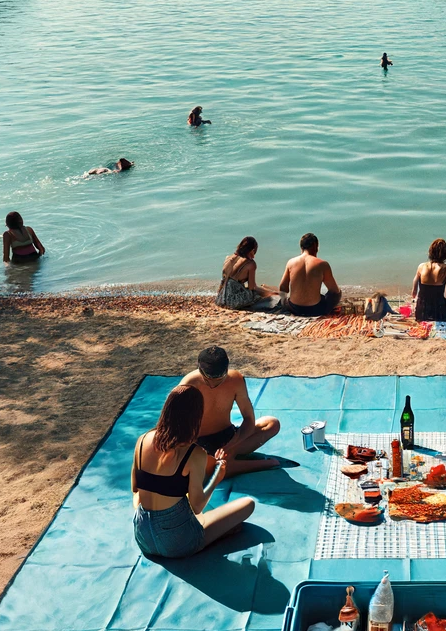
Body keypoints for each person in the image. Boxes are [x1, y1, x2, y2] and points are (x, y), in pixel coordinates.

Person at [132, 385, 256, 558]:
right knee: (247, 504)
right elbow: (197, 507)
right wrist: (216, 478)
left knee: (179, 502)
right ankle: (211, 536)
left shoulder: (142, 440)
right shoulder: (193, 453)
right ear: (196, 418)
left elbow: (135, 490)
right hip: (178, 543)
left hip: (142, 538)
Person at [177, 345, 287, 478]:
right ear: (199, 369)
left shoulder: (235, 379)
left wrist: (230, 445)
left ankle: (228, 460)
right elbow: (174, 427)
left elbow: (249, 419)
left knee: (272, 423)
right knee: (209, 468)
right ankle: (263, 464)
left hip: (229, 437)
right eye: (207, 381)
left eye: (219, 381)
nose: (212, 386)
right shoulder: (187, 385)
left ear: (227, 369)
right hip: (200, 444)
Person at [277, 232, 341, 316]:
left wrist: (284, 303)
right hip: (315, 309)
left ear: (301, 247)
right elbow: (334, 290)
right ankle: (327, 312)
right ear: (315, 246)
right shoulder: (322, 264)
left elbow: (283, 287)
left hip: (294, 308)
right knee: (337, 294)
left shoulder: (291, 262)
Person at [217, 236, 276, 310]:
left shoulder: (228, 258)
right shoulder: (251, 264)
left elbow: (224, 281)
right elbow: (253, 287)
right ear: (252, 250)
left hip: (221, 299)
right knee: (267, 298)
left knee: (262, 290)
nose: (254, 255)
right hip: (235, 302)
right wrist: (272, 293)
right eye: (254, 251)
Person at [410, 238, 446, 322]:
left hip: (421, 313)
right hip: (438, 313)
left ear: (430, 252)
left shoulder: (421, 266)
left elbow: (413, 293)